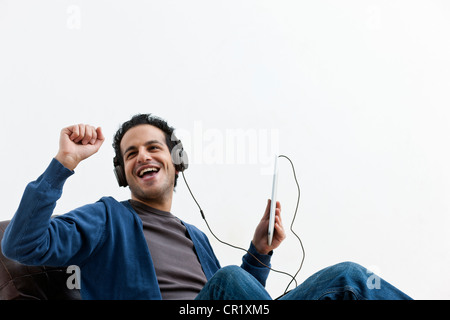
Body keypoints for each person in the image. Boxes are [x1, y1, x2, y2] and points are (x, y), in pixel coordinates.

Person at [1, 114, 412, 300]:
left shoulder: (194, 236)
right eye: (131, 154)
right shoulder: (107, 217)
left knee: (349, 278)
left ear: (175, 161)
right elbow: (20, 244)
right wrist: (65, 162)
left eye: (153, 147)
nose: (143, 156)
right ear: (124, 173)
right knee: (230, 280)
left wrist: (259, 253)